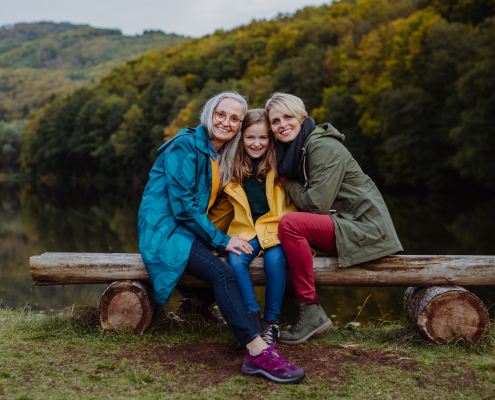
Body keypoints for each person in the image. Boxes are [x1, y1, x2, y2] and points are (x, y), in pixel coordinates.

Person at [138, 92, 305, 384]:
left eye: (234, 119)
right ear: (209, 113)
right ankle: (257, 351)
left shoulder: (219, 153)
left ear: (239, 126)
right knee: (224, 272)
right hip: (166, 231)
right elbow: (184, 207)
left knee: (227, 260)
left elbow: (215, 205)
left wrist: (232, 237)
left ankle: (196, 307)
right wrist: (221, 240)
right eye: (221, 114)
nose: (226, 122)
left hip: (185, 229)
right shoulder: (185, 146)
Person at [265, 93, 403, 344]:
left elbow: (316, 205)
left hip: (367, 229)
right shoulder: (299, 150)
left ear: (302, 118)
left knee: (290, 225)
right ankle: (287, 313)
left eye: (288, 117)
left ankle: (310, 310)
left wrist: (286, 182)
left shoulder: (322, 146)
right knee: (279, 235)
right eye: (275, 121)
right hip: (347, 223)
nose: (282, 124)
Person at [208, 109, 310, 346]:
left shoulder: (280, 167)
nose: (256, 144)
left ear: (271, 139)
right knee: (236, 259)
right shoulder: (233, 170)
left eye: (263, 138)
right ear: (240, 138)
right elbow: (222, 209)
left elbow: (296, 199)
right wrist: (207, 234)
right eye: (250, 138)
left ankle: (272, 321)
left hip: (277, 230)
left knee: (275, 261)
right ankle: (253, 318)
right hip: (248, 231)